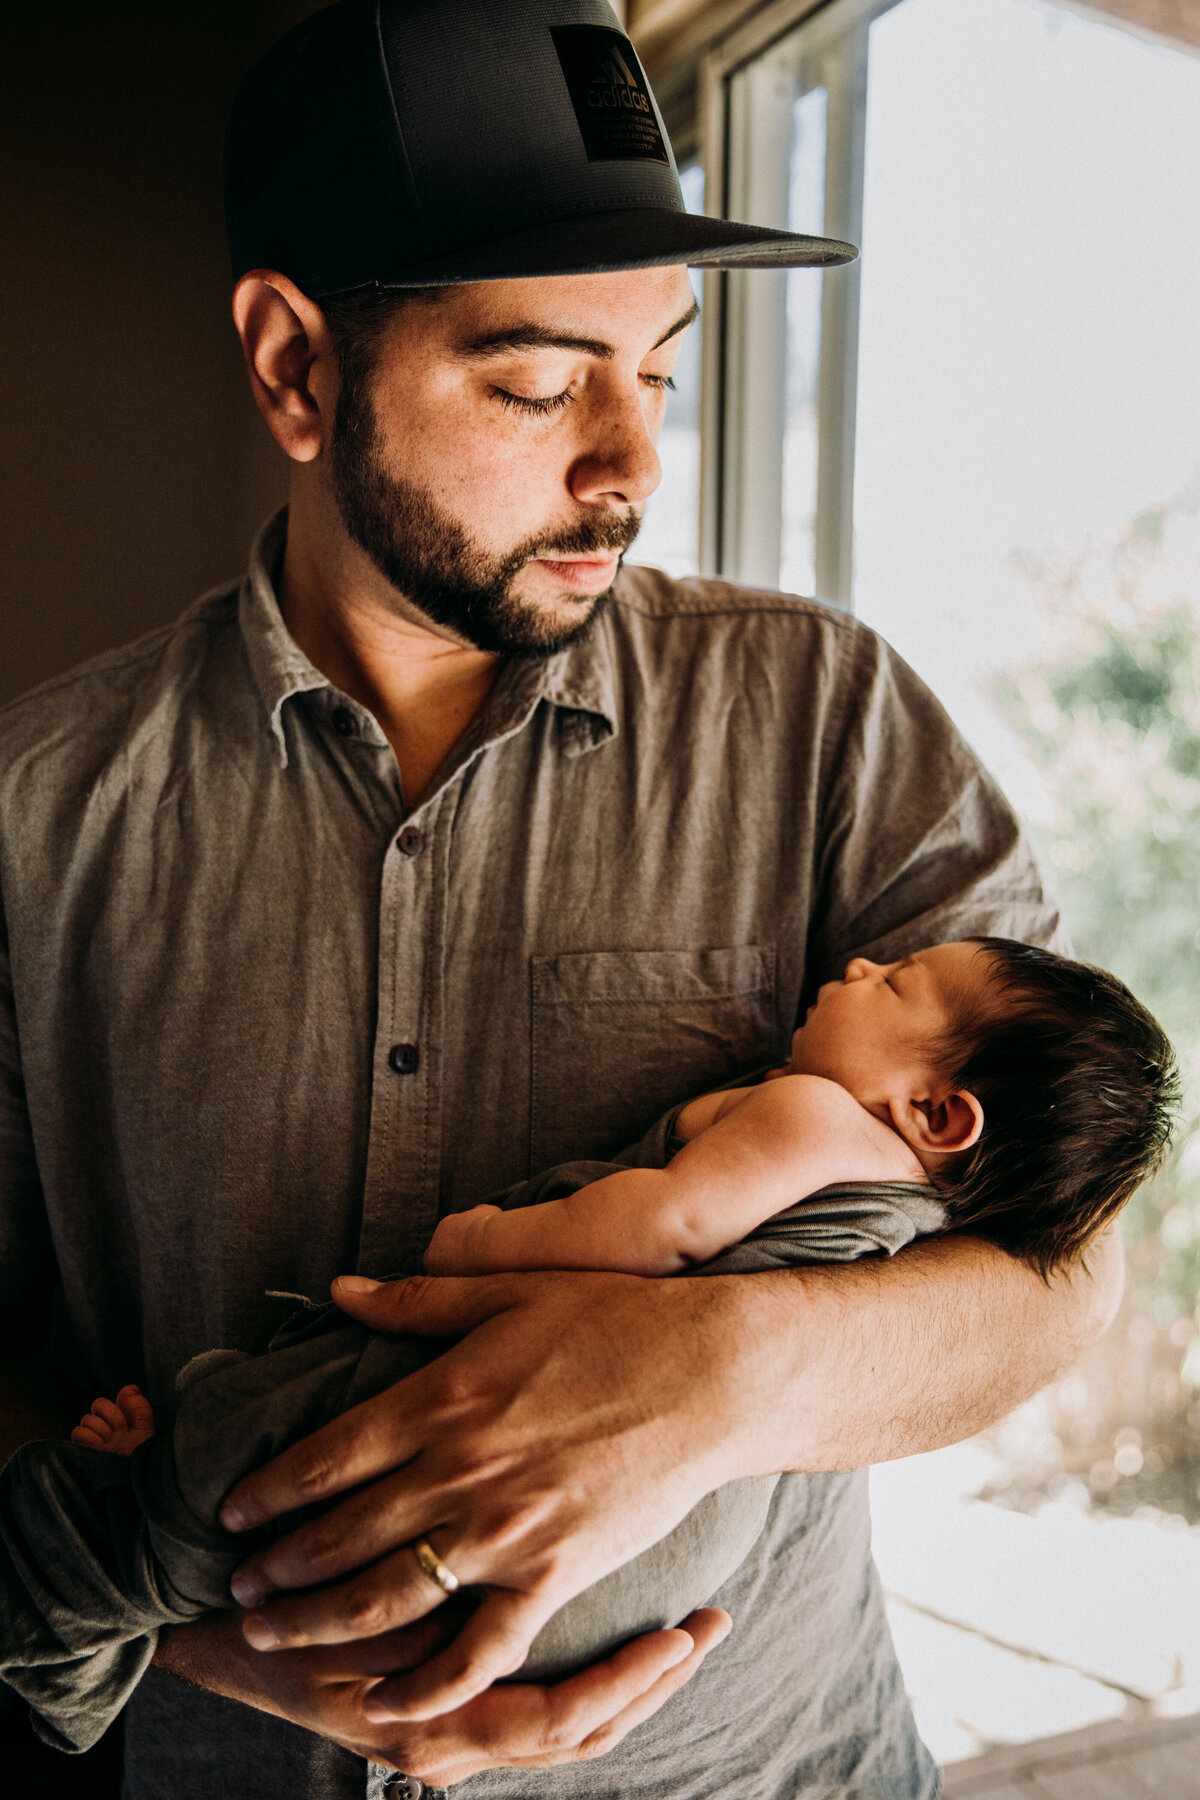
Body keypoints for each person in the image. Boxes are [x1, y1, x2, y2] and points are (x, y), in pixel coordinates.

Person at [0, 2, 1126, 1796]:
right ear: (295, 366)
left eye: (659, 374)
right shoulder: (33, 817)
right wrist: (249, 1650)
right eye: (537, 383)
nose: (631, 461)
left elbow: (1066, 1278)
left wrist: (711, 1372)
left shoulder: (827, 718)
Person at [0, 934, 1165, 1760]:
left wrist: (491, 1238)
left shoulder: (816, 1111)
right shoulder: (923, 1211)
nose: (861, 965)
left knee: (265, 1456)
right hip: (667, 1560)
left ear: (940, 1112)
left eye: (898, 980)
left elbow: (665, 1226)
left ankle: (84, 1594)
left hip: (575, 1467)